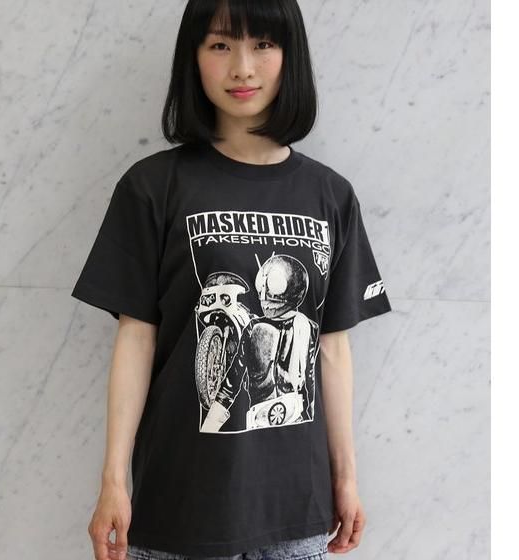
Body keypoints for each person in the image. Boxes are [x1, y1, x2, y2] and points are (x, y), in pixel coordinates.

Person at [71, 1, 393, 559]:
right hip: (181, 504)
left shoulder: (331, 196)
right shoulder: (153, 187)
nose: (242, 67)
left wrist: (346, 480)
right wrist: (114, 481)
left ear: (290, 57)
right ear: (193, 57)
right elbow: (136, 338)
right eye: (220, 45)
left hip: (296, 509)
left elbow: (332, 349)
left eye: (263, 44)